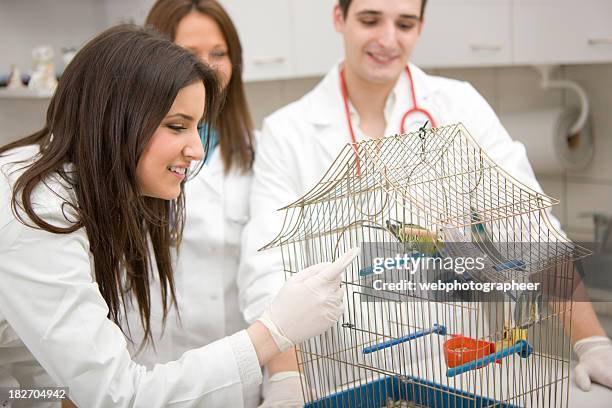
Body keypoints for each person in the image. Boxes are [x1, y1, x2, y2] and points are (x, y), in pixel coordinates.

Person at [241, 0, 612, 397]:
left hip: (462, 369)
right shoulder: (287, 132)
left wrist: (590, 341)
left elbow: (528, 225)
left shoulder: (459, 105)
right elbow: (268, 267)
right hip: (347, 374)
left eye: (404, 24)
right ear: (339, 17)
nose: (387, 39)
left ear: (420, 26)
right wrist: (284, 378)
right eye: (369, 20)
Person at [0, 24, 357, 408]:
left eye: (198, 127)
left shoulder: (89, 189)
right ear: (114, 118)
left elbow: (52, 376)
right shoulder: (33, 212)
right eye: (177, 126)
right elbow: (117, 395)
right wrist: (272, 334)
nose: (198, 150)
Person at [133, 1, 302, 407]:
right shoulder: (127, 155)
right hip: (146, 369)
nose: (208, 69)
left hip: (236, 373)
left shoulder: (262, 151)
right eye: (189, 56)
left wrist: (286, 374)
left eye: (219, 54)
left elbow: (271, 264)